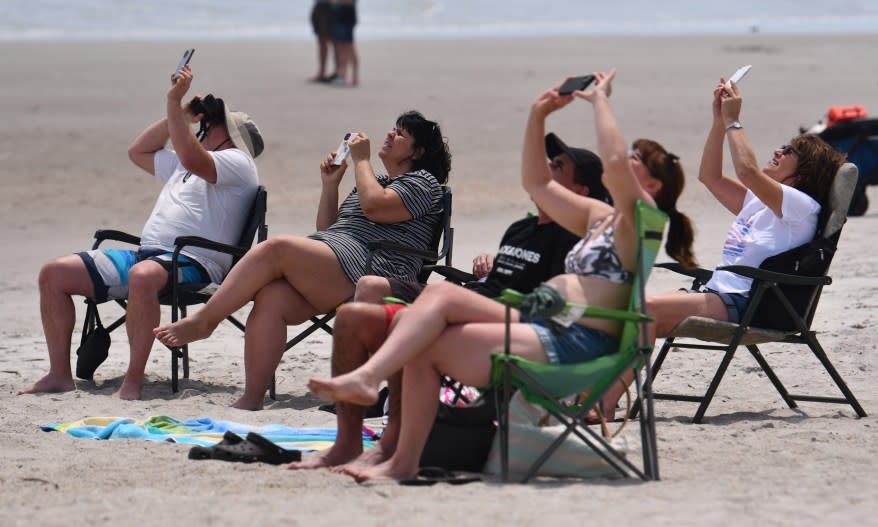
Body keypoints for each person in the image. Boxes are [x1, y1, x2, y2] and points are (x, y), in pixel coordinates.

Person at [307, 69, 686, 482]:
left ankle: (368, 379)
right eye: (629, 157)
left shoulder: (643, 223)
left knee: (440, 304)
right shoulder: (601, 218)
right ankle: (400, 458)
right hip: (539, 322)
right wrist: (536, 115)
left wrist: (600, 101)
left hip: (576, 341)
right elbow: (536, 182)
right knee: (429, 328)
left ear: (651, 185)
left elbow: (611, 163)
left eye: (636, 163)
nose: (625, 163)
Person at [292, 133, 606, 470]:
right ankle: (346, 444)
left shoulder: (578, 239)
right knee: (353, 317)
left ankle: (392, 441)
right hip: (472, 299)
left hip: (506, 326)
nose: (545, 171)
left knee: (406, 320)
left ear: (581, 193)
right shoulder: (521, 229)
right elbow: (499, 284)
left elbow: (558, 304)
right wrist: (484, 274)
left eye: (557, 167)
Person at [154, 111, 452, 410]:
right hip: (341, 263)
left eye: (401, 134)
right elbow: (330, 231)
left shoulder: (423, 183)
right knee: (271, 297)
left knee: (277, 248)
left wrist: (362, 161)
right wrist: (330, 185)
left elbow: (375, 208)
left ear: (419, 151)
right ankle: (252, 399)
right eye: (393, 129)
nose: (390, 135)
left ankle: (206, 320)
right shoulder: (376, 181)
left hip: (377, 270)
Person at [596, 75, 848, 419]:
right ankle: (593, 394)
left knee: (644, 310)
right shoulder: (760, 202)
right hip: (719, 294)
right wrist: (718, 121)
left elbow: (745, 170)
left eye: (788, 151)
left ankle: (603, 404)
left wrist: (734, 119)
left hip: (744, 303)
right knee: (627, 307)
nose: (777, 150)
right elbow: (709, 176)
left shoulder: (801, 207)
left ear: (803, 174)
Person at [19, 64, 263, 400]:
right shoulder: (188, 161)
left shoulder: (239, 163)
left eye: (212, 122)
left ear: (231, 135)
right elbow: (139, 151)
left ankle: (132, 381)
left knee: (143, 276)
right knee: (54, 273)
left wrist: (172, 101)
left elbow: (193, 158)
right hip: (148, 255)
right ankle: (59, 375)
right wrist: (179, 114)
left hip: (196, 261)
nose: (206, 125)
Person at [332, 0, 359, 86]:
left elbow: (351, 2)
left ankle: (354, 78)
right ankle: (342, 75)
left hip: (348, 15)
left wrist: (337, 2)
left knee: (349, 47)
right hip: (340, 14)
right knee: (340, 47)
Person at [308, 0, 336, 83]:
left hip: (330, 6)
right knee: (322, 41)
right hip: (320, 5)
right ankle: (322, 73)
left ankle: (339, 73)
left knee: (336, 42)